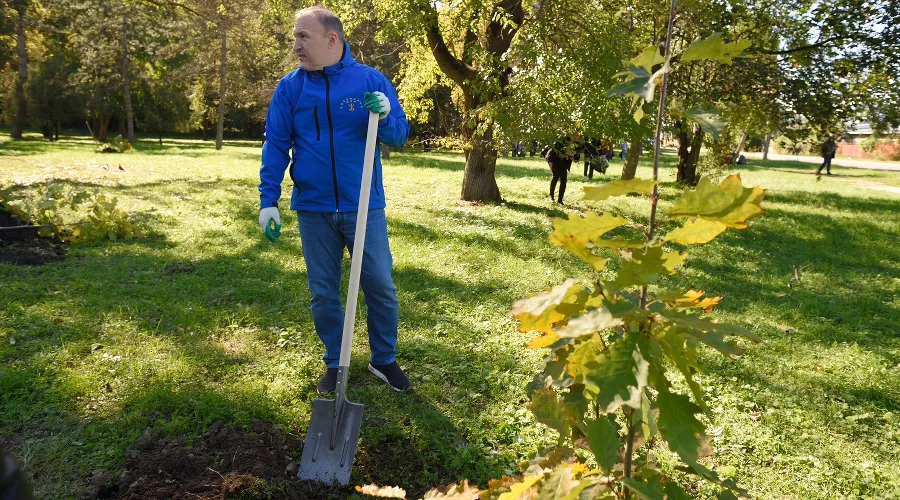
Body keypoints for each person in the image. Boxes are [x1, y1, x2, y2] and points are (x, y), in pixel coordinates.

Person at [258, 6, 412, 394]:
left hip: (365, 206)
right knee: (324, 291)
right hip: (314, 208)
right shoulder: (289, 88)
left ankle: (384, 359)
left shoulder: (369, 82)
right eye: (294, 36)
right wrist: (268, 200)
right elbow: (275, 146)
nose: (295, 45)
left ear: (332, 39)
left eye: (302, 36)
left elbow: (398, 136)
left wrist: (388, 114)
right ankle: (335, 361)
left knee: (379, 284)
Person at [544, 134, 580, 204]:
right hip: (553, 158)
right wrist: (570, 154)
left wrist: (574, 158)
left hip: (564, 162)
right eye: (575, 135)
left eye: (578, 135)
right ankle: (551, 196)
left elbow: (576, 158)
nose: (577, 137)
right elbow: (560, 150)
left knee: (563, 179)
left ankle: (560, 200)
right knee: (556, 175)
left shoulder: (577, 144)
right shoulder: (563, 138)